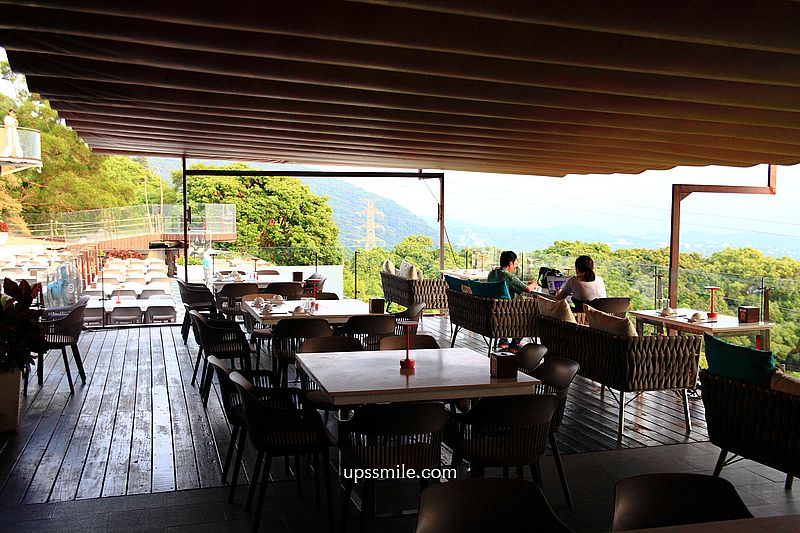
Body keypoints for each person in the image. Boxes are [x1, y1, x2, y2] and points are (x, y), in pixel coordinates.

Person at [487, 250, 537, 352]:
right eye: (514, 263)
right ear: (510, 263)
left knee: (505, 304)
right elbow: (528, 289)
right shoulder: (508, 276)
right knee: (529, 316)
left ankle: (503, 342)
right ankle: (514, 343)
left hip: (492, 311)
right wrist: (534, 284)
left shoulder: (492, 274)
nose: (514, 266)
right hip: (506, 314)